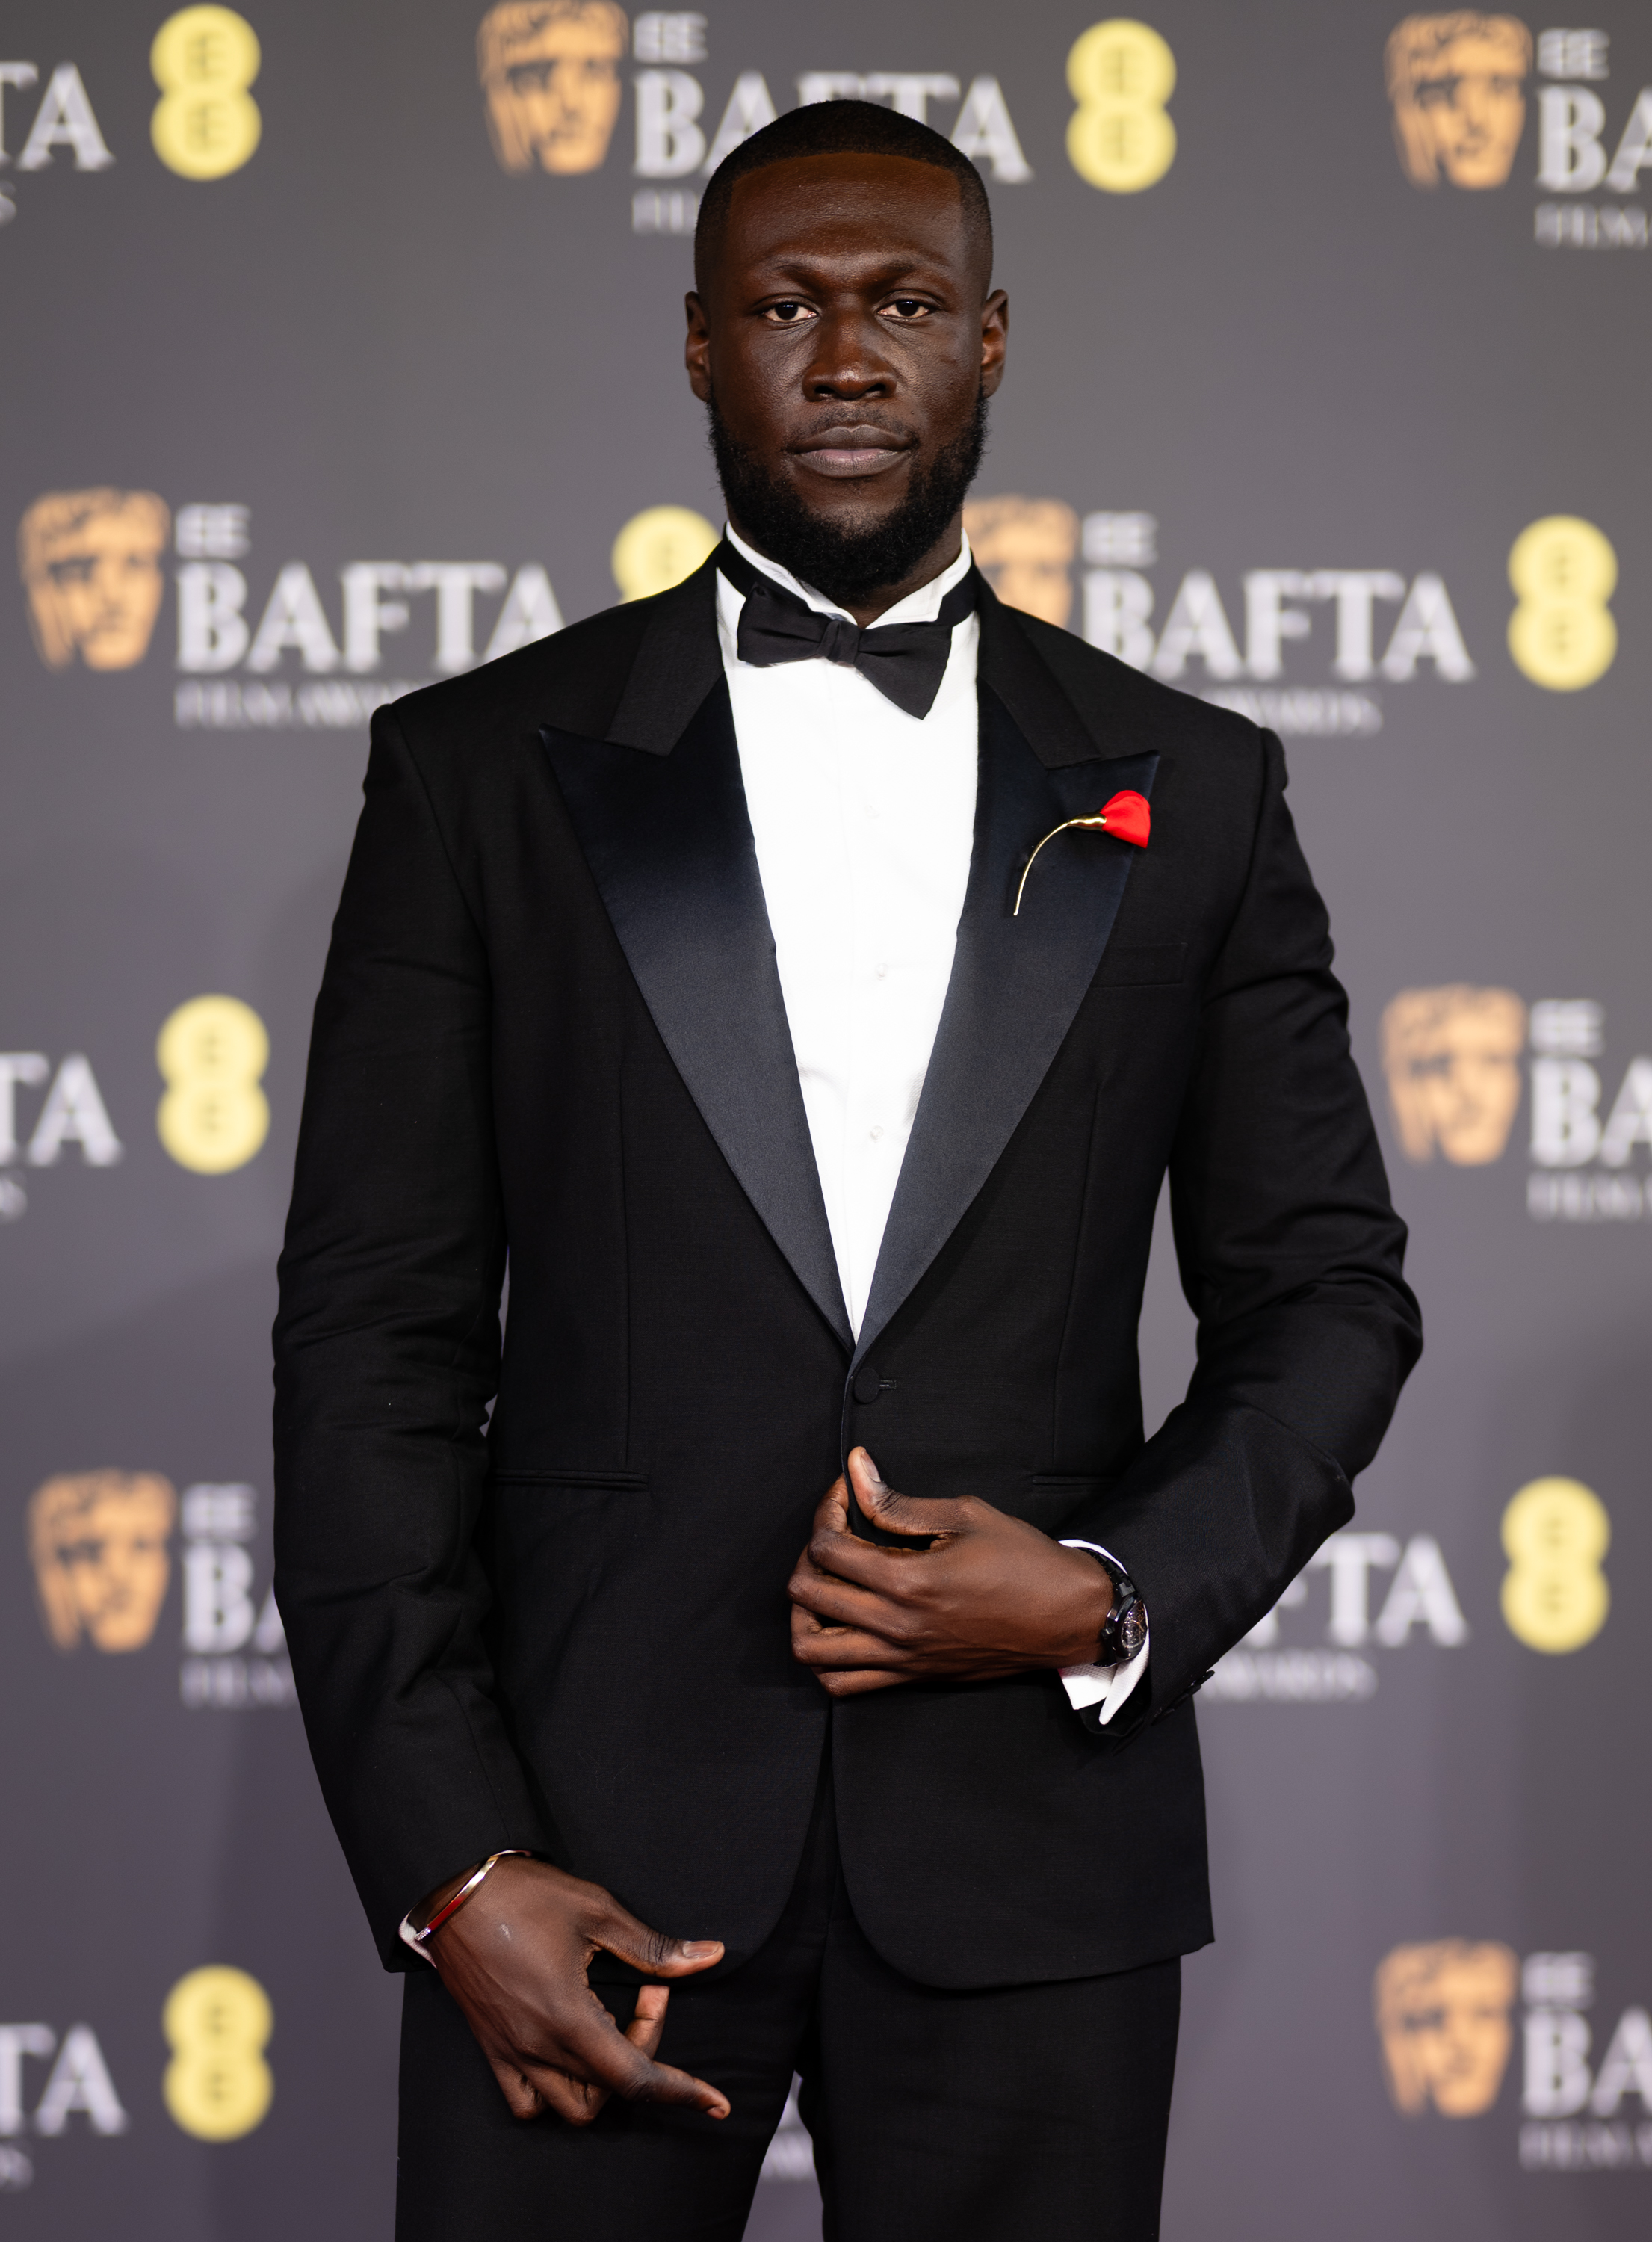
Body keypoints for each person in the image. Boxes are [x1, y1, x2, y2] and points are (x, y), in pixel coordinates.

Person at [273, 99, 1420, 2242]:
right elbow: (374, 1348)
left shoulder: (1195, 788)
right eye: (784, 308)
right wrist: (454, 1861)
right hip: (579, 1866)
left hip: (1033, 1853)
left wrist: (1107, 1591)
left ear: (988, 338)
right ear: (697, 344)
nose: (844, 357)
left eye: (900, 304)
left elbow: (1329, 1297)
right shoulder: (473, 773)